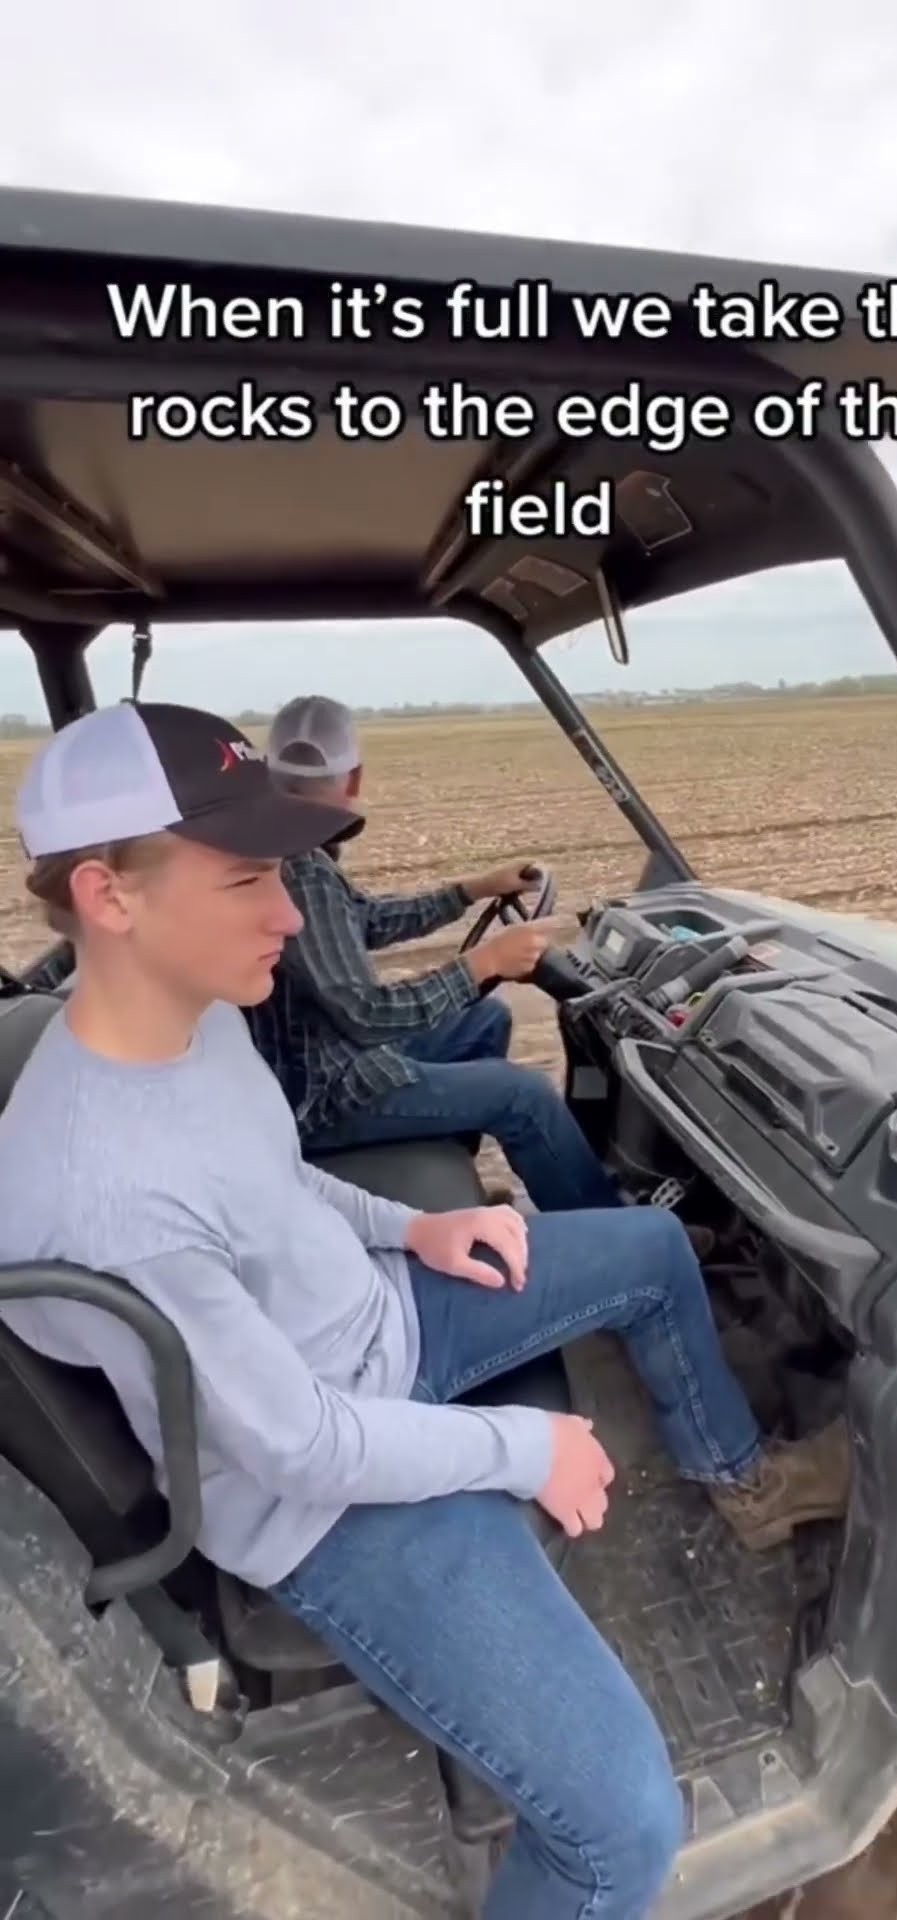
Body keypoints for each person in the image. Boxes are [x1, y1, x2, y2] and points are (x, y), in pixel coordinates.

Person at [0, 700, 850, 1920]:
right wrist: (526, 1446)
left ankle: (745, 1484)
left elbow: (278, 1176)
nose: (291, 916)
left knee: (654, 1245)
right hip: (323, 1499)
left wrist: (418, 1228)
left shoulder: (194, 1024)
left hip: (377, 1321)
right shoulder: (103, 1189)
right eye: (247, 878)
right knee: (620, 1829)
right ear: (109, 895)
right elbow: (297, 1444)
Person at [249, 693, 703, 1236]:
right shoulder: (302, 869)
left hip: (318, 1061)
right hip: (326, 1093)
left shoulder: (291, 851)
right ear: (354, 778)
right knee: (523, 1096)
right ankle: (623, 1238)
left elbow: (364, 919)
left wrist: (472, 889)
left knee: (486, 1020)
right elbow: (366, 1014)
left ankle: (455, 1179)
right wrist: (481, 964)